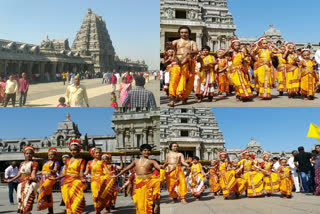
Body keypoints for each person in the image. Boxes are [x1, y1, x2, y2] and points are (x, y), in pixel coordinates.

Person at [112, 144, 163, 214]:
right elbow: (126, 168)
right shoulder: (136, 161)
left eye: (148, 150)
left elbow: (160, 168)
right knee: (140, 203)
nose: (147, 152)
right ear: (141, 152)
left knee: (148, 201)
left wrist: (165, 168)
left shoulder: (152, 161)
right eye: (145, 150)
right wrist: (117, 175)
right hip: (139, 183)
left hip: (148, 182)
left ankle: (153, 208)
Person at [50, 139, 86, 214]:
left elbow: (81, 172)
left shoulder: (81, 160)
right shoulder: (68, 160)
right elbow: (65, 172)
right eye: (71, 150)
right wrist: (57, 178)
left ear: (79, 150)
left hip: (76, 181)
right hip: (66, 182)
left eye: (75, 150)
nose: (73, 151)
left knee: (76, 200)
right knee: (68, 199)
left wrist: (82, 179)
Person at [168, 26, 199, 107]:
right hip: (177, 62)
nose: (183, 34)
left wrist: (189, 52)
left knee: (188, 81)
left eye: (185, 32)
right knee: (174, 80)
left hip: (188, 63)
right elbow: (169, 48)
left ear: (188, 33)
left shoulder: (192, 42)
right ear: (179, 33)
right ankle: (172, 99)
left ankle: (184, 98)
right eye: (182, 32)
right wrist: (169, 46)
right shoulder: (176, 41)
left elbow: (196, 51)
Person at [4, 146, 39, 214]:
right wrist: (10, 180)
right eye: (27, 153)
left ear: (33, 154)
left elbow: (33, 173)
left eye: (30, 153)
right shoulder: (22, 163)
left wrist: (32, 178)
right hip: (21, 184)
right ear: (24, 154)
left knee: (27, 202)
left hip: (29, 184)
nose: (28, 155)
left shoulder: (34, 163)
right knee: (21, 201)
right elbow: (19, 175)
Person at [84, 148, 115, 214]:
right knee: (95, 196)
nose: (98, 154)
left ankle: (100, 209)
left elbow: (107, 171)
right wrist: (78, 175)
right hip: (93, 181)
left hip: (101, 180)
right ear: (93, 154)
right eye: (96, 153)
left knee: (100, 195)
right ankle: (97, 209)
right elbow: (86, 173)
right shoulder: (89, 162)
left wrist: (111, 174)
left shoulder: (102, 162)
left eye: (99, 153)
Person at [37, 148, 60, 214]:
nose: (50, 156)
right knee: (48, 194)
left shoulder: (56, 162)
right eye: (49, 154)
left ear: (55, 156)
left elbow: (55, 168)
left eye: (52, 155)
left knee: (44, 187)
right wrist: (38, 173)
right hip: (43, 178)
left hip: (51, 177)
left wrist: (54, 170)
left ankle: (41, 200)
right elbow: (43, 171)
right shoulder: (46, 162)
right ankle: (50, 211)